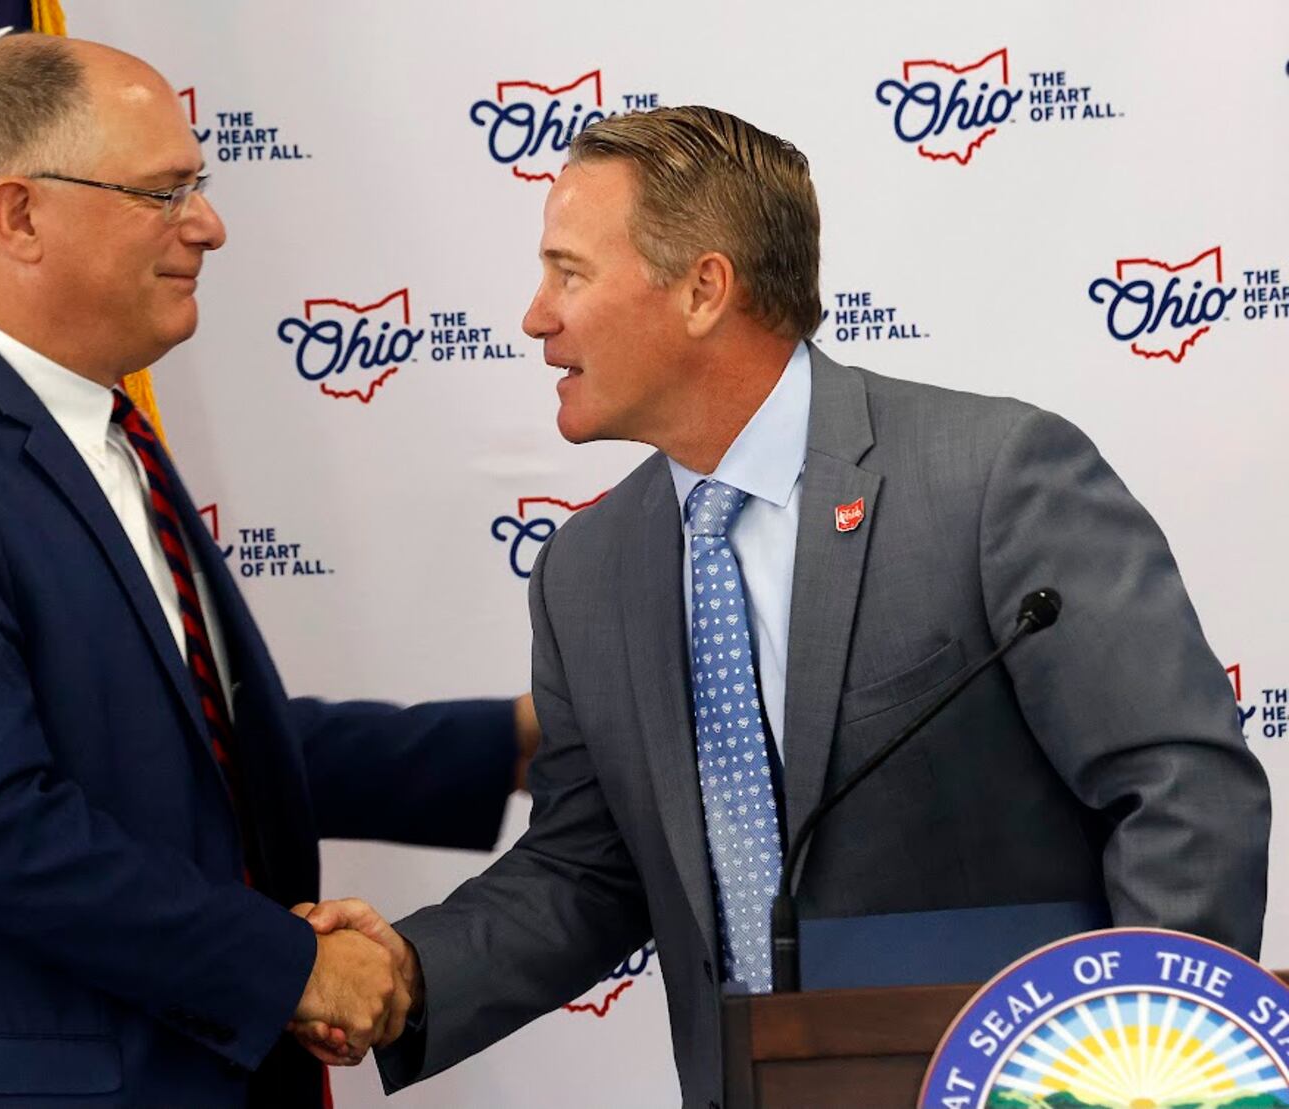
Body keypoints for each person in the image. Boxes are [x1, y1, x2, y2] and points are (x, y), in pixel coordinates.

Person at [300, 105, 1271, 1105]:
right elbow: (587, 871)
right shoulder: (584, 571)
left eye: (569, 271)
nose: (535, 314)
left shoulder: (989, 479)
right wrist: (412, 973)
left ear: (702, 289)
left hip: (1020, 1081)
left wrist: (1146, 1068)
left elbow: (1180, 790)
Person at [0, 35, 535, 1108]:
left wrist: (511, 740)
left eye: (200, 186)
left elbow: (198, 755)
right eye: (162, 190)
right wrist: (295, 967)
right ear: (20, 214)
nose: (208, 223)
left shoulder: (109, 437)